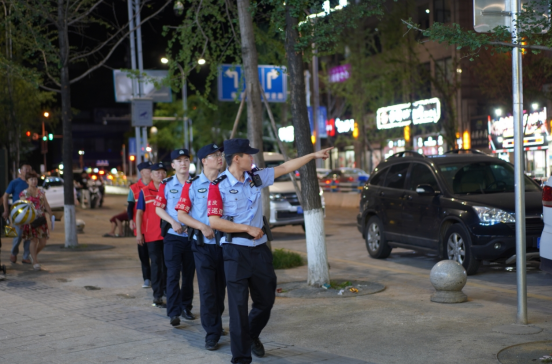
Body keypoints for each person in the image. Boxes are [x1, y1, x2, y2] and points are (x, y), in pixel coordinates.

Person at [207, 138, 331, 364]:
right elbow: (214, 221)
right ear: (237, 158)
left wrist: (313, 156)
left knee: (266, 301)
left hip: (259, 250)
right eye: (248, 155)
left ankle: (251, 334)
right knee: (237, 308)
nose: (252, 158)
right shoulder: (218, 186)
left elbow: (285, 167)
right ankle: (241, 358)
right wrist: (246, 228)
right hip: (235, 252)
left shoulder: (256, 177)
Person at [176, 143, 226, 351]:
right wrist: (202, 226)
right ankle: (211, 333)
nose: (220, 157)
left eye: (220, 154)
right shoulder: (193, 185)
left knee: (220, 290)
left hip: (226, 245)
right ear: (204, 161)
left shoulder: (228, 182)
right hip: (203, 246)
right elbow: (181, 214)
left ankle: (216, 321)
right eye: (214, 155)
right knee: (207, 290)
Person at [154, 149, 196, 327]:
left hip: (193, 237)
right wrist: (173, 222)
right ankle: (173, 312)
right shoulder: (167, 184)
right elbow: (158, 208)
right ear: (173, 165)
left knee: (189, 275)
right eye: (179, 161)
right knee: (172, 275)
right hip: (173, 237)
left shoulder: (197, 183)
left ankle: (186, 307)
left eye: (186, 160)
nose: (183, 163)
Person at [135, 162, 168, 307]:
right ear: (151, 175)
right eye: (157, 173)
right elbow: (139, 213)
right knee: (156, 264)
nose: (160, 175)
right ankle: (157, 295)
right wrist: (139, 233)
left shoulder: (169, 189)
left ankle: (168, 291)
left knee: (169, 265)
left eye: (162, 172)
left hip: (169, 233)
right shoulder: (144, 191)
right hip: (152, 235)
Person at [19, 171, 54, 271]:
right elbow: (21, 208)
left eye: (35, 179)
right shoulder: (24, 193)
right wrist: (21, 221)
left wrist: (51, 214)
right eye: (32, 179)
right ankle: (35, 261)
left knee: (43, 242)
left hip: (41, 219)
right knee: (33, 240)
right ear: (27, 181)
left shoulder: (41, 191)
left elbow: (46, 204)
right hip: (30, 220)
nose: (34, 181)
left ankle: (32, 255)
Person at [128, 161, 153, 288]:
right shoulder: (134, 188)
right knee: (143, 254)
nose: (151, 171)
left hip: (154, 227)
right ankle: (147, 278)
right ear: (142, 172)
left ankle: (157, 279)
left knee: (155, 254)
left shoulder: (159, 186)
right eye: (149, 170)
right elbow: (130, 206)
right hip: (141, 226)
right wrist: (130, 220)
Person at [2, 164, 32, 264]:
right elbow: (5, 196)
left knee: (28, 235)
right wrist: (6, 210)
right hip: (17, 212)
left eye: (29, 169)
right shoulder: (14, 182)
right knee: (18, 235)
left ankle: (25, 256)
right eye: (25, 169)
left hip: (29, 212)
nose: (27, 171)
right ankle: (13, 253)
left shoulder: (31, 182)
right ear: (21, 171)